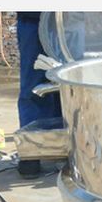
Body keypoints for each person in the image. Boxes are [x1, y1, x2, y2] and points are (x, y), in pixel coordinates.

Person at [16, 11, 63, 178]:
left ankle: (66, 147)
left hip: (71, 20)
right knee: (34, 86)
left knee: (71, 83)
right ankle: (31, 153)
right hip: (34, 19)